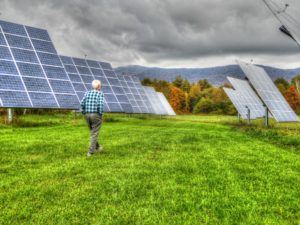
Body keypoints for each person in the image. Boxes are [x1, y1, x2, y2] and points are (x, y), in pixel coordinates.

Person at [81, 80, 104, 157]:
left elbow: (82, 103)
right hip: (95, 115)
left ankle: (98, 147)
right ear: (98, 86)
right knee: (94, 133)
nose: (101, 86)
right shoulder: (100, 93)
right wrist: (100, 114)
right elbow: (100, 105)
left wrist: (84, 112)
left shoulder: (87, 93)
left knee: (93, 132)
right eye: (100, 85)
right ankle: (90, 152)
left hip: (87, 115)